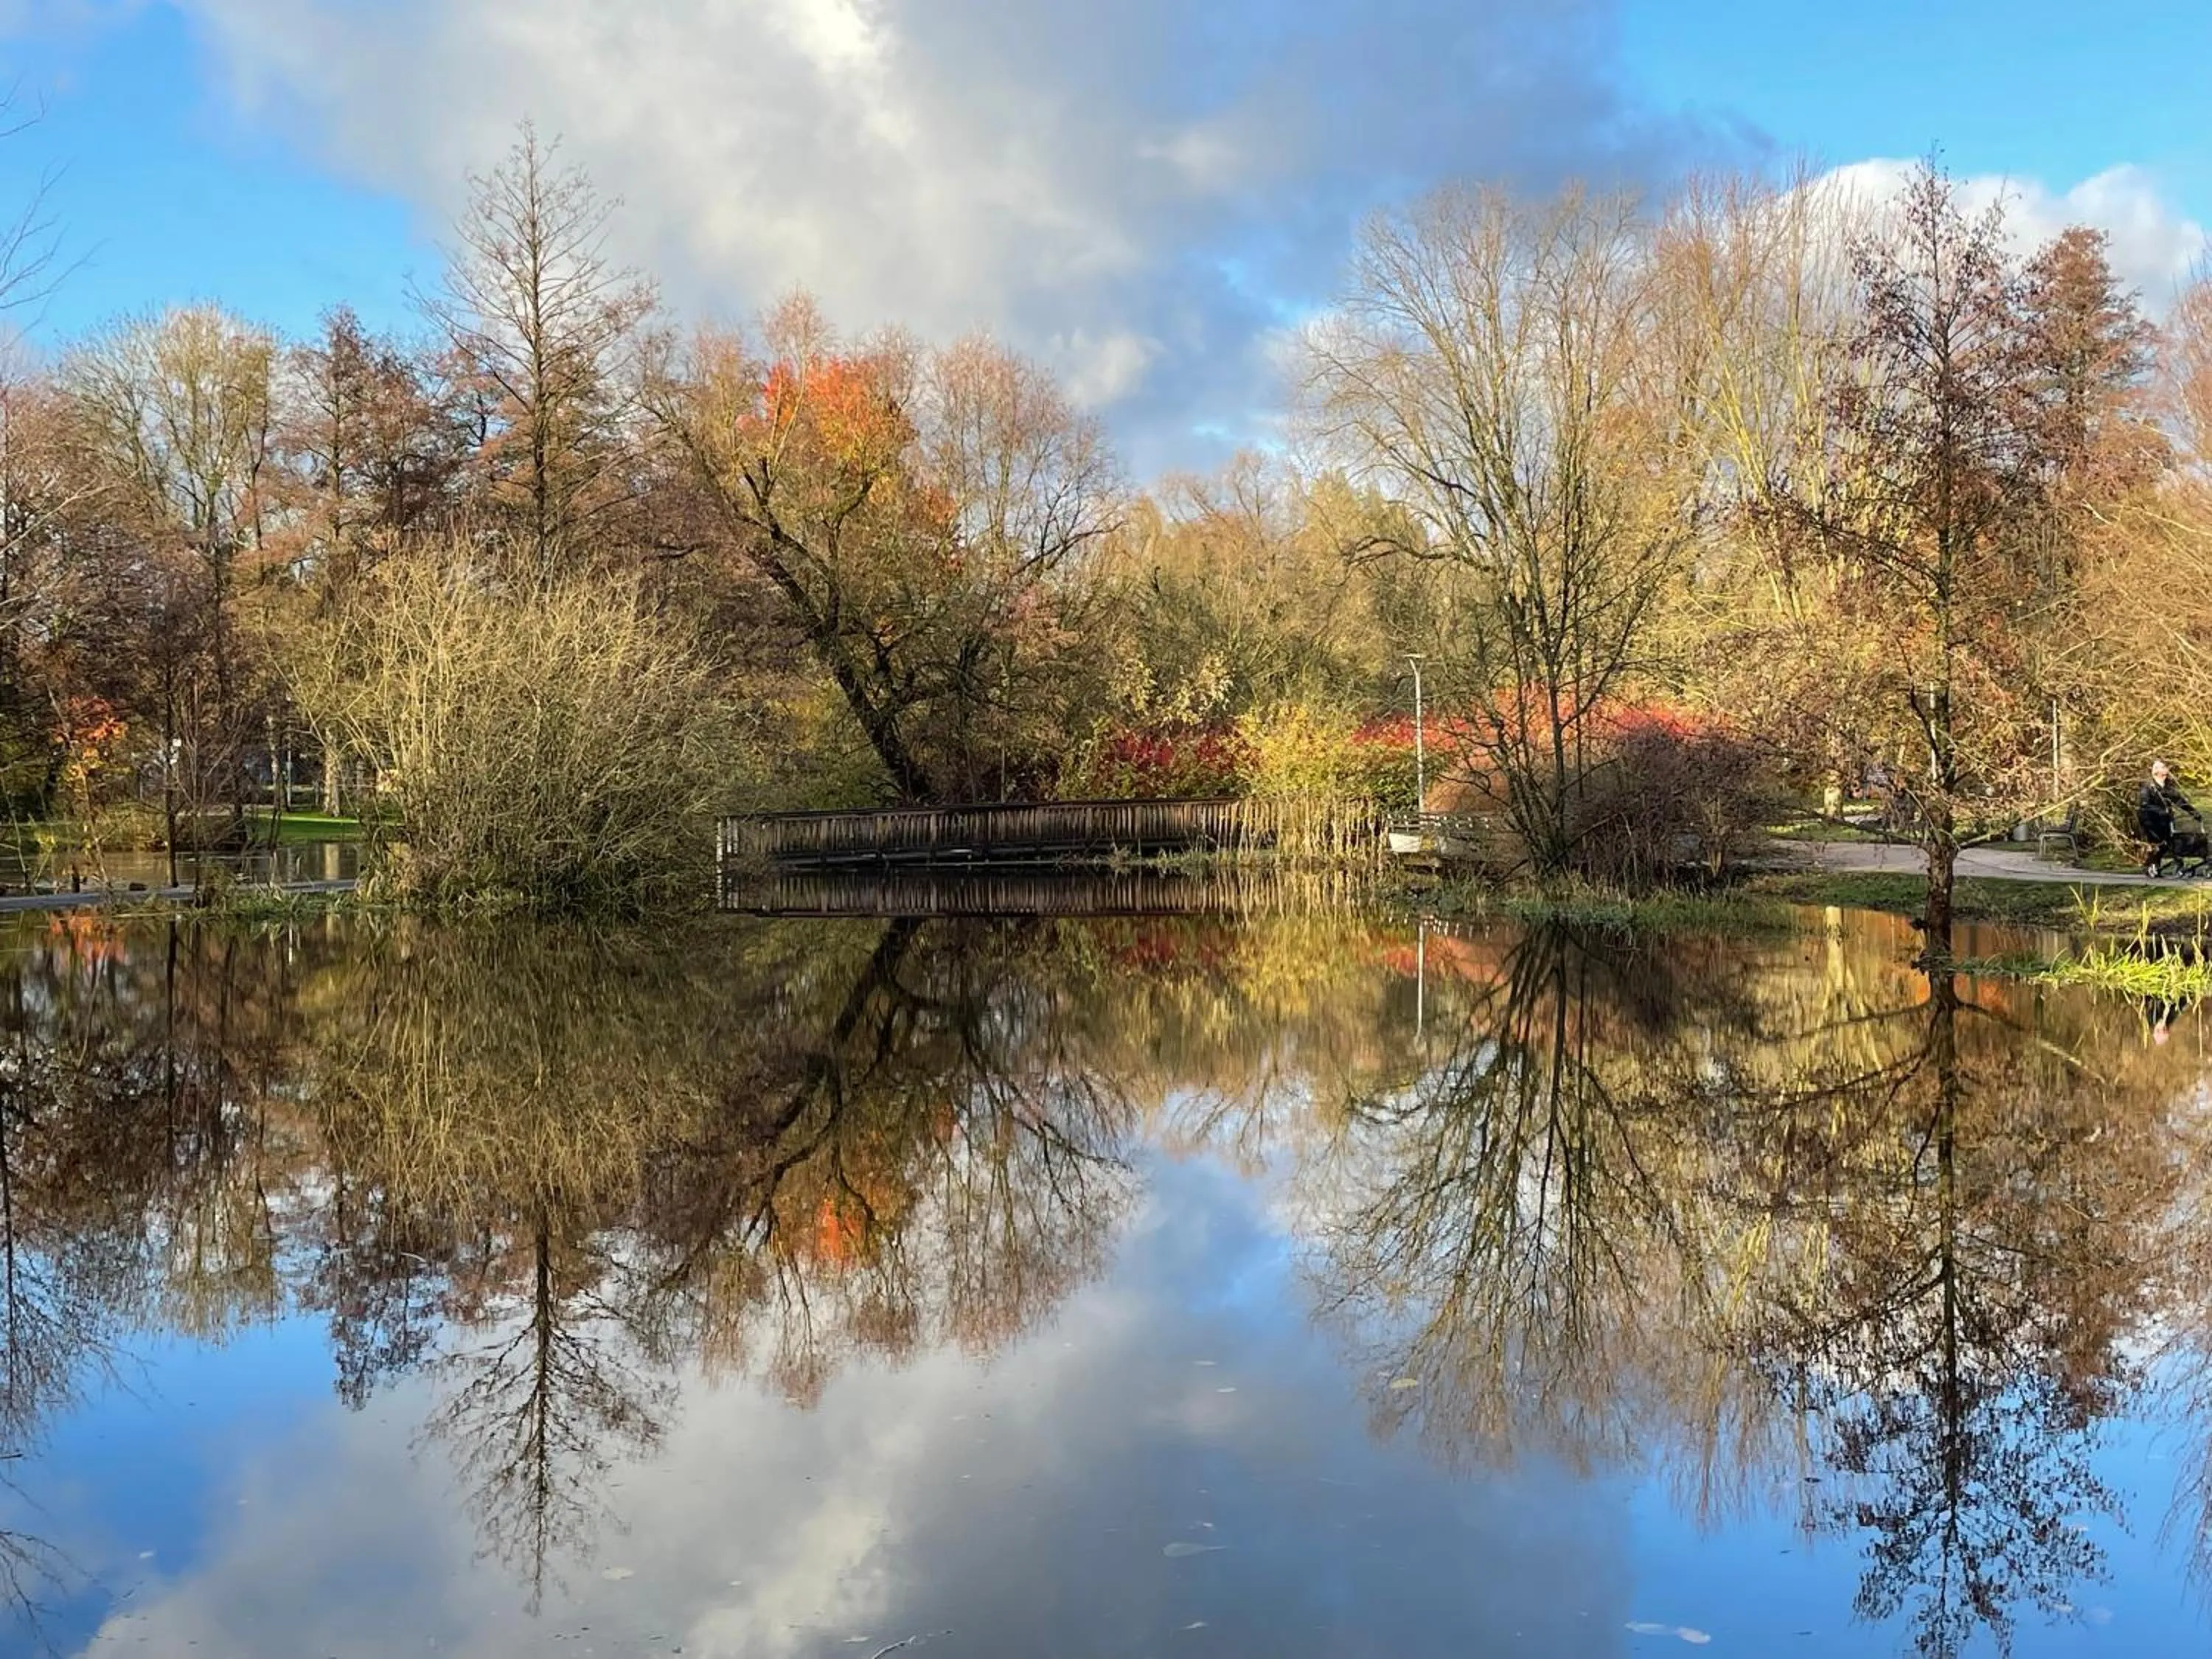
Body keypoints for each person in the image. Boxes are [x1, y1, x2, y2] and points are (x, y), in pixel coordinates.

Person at [2138, 760, 2199, 876]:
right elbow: (2144, 805)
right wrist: (2162, 811)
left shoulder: (2167, 788)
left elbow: (2179, 801)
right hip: (2151, 822)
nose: (2166, 771)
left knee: (2168, 844)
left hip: (2165, 822)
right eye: (2163, 768)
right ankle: (2152, 866)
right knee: (2158, 845)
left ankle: (2156, 866)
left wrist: (2193, 812)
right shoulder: (2147, 787)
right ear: (2156, 772)